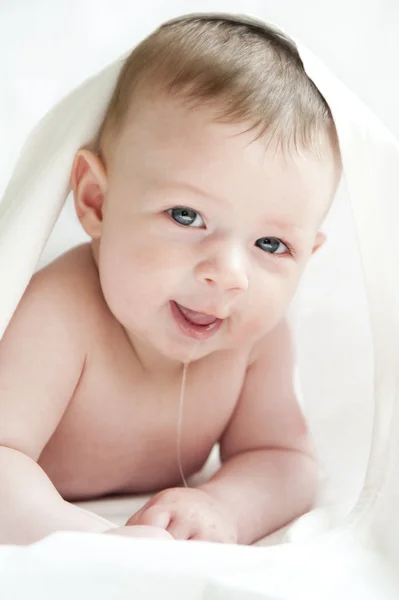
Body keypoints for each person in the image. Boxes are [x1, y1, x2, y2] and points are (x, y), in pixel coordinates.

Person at [0, 13, 341, 545]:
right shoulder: (60, 315)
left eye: (271, 245)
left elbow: (284, 459)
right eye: (186, 216)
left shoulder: (254, 339)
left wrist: (223, 508)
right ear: (97, 202)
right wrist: (91, 540)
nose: (229, 277)